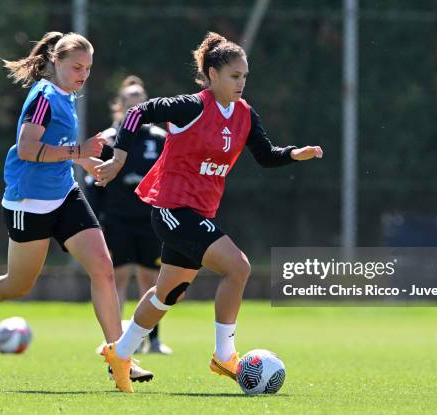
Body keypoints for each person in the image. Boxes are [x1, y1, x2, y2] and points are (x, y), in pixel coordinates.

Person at [94, 31, 323, 389]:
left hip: (200, 213)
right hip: (172, 210)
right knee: (239, 267)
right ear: (212, 74)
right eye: (235, 76)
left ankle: (119, 354)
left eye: (245, 76)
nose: (241, 83)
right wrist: (120, 156)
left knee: (167, 293)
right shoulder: (191, 107)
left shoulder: (244, 114)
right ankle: (224, 355)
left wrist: (294, 154)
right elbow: (138, 111)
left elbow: (265, 155)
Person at [0, 32, 151, 393]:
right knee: (17, 284)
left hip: (64, 193)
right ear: (55, 62)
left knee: (103, 268)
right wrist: (79, 151)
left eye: (88, 68)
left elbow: (59, 148)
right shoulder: (43, 97)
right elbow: (27, 149)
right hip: (29, 202)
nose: (83, 74)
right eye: (76, 67)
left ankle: (120, 356)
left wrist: (87, 163)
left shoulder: (68, 94)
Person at [88, 75, 171, 355]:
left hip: (150, 222)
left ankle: (154, 340)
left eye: (141, 103)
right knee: (117, 278)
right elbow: (96, 182)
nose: (136, 109)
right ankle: (116, 340)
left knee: (152, 281)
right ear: (120, 107)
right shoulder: (110, 139)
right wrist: (95, 221)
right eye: (130, 103)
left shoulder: (160, 139)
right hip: (117, 220)